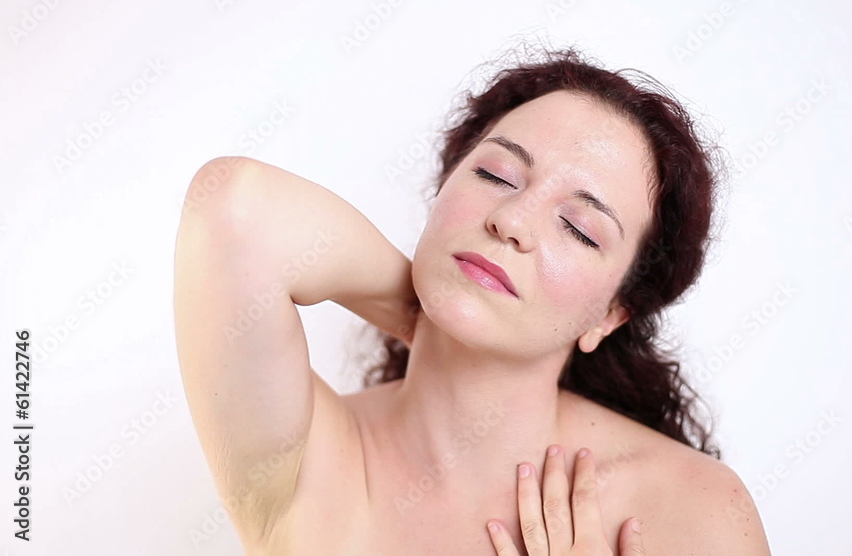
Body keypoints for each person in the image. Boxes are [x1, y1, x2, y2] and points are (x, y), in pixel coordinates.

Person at [173, 46, 771, 555]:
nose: (512, 221)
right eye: (496, 176)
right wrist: (422, 307)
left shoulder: (694, 509)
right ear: (442, 191)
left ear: (610, 315)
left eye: (579, 229)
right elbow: (235, 208)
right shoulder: (312, 459)